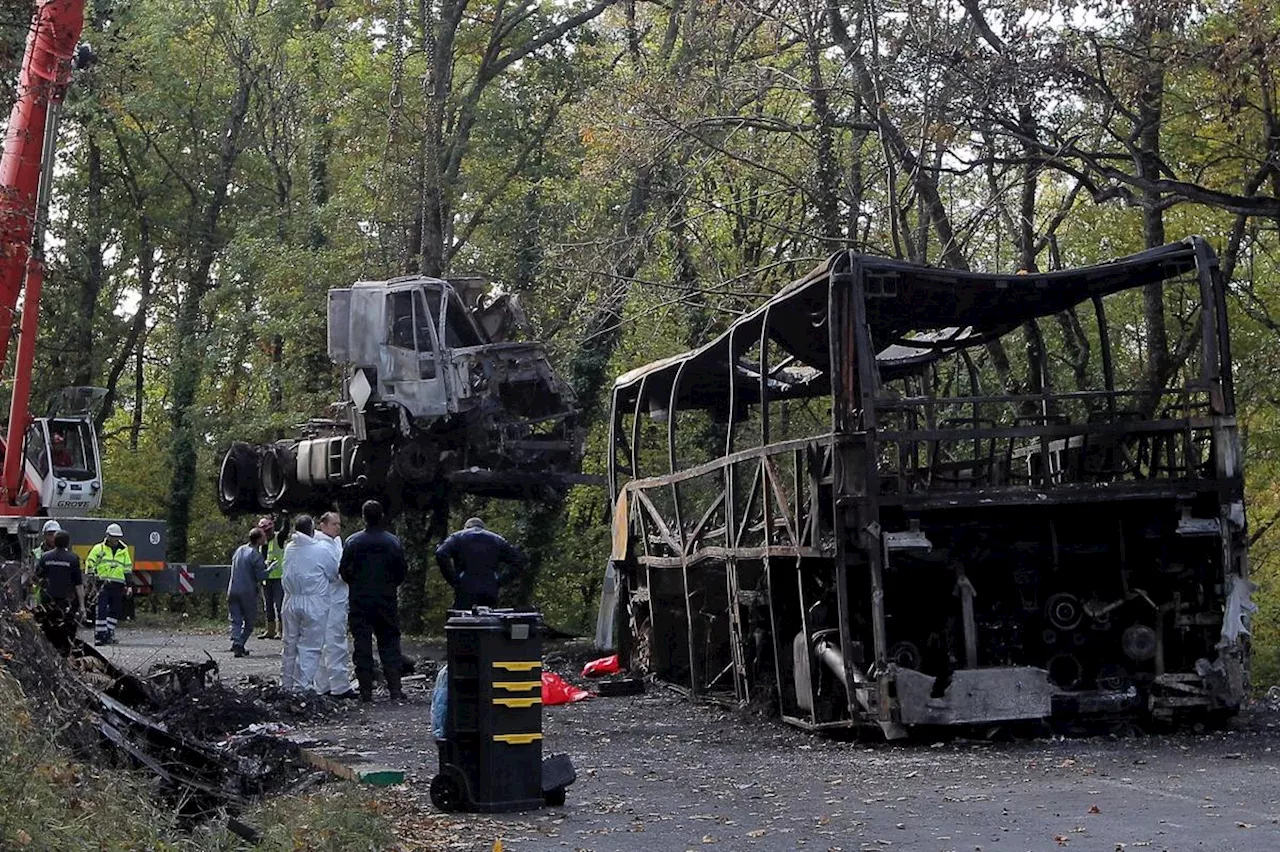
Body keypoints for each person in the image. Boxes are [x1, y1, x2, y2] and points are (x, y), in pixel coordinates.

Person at [340, 500, 407, 702]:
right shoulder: (393, 542)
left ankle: (366, 691)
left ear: (363, 517)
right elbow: (402, 570)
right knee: (390, 642)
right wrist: (390, 584)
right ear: (382, 516)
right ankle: (395, 689)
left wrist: (356, 583)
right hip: (386, 598)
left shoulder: (353, 542)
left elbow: (344, 570)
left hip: (360, 599)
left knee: (362, 644)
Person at [279, 514, 338, 694]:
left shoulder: (290, 548)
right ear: (313, 530)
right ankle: (302, 688)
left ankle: (286, 686)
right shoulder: (321, 550)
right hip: (314, 601)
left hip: (290, 600)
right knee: (309, 648)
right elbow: (333, 574)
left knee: (289, 645)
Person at [435, 517, 527, 610]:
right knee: (489, 620)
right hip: (489, 589)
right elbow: (518, 560)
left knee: (462, 620)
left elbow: (441, 553)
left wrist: (453, 579)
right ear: (483, 527)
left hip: (465, 588)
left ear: (466, 528)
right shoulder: (497, 539)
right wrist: (500, 581)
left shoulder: (457, 537)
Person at [314, 511, 354, 698]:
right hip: (329, 599)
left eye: (339, 524)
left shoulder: (335, 543)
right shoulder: (321, 546)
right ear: (323, 525)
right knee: (332, 642)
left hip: (337, 598)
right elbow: (335, 572)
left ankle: (327, 684)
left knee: (332, 642)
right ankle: (337, 685)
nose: (337, 527)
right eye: (334, 524)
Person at [34, 530, 83, 654]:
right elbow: (78, 584)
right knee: (66, 630)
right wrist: (82, 605)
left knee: (48, 628)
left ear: (54, 541)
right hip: (66, 601)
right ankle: (64, 654)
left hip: (48, 601)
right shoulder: (73, 559)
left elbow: (36, 578)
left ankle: (48, 653)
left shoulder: (45, 557)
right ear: (67, 543)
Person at [87, 523, 131, 646]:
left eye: (117, 537)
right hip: (103, 583)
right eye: (113, 537)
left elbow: (127, 568)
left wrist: (129, 585)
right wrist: (92, 576)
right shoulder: (98, 549)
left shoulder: (123, 550)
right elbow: (90, 562)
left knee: (115, 610)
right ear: (107, 536)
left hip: (118, 584)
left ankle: (109, 633)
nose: (115, 540)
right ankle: (100, 636)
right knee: (101, 610)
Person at [228, 528, 269, 658]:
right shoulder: (256, 555)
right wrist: (270, 569)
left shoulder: (239, 550)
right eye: (263, 536)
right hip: (247, 592)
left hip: (233, 589)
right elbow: (260, 577)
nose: (265, 537)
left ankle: (236, 641)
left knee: (236, 619)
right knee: (249, 622)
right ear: (259, 539)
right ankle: (239, 644)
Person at [258, 516, 286, 640]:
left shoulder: (278, 538)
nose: (267, 534)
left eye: (268, 531)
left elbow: (285, 530)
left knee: (279, 605)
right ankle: (269, 630)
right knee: (267, 605)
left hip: (278, 577)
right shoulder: (262, 544)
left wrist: (285, 516)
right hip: (266, 578)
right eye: (264, 531)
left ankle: (280, 630)